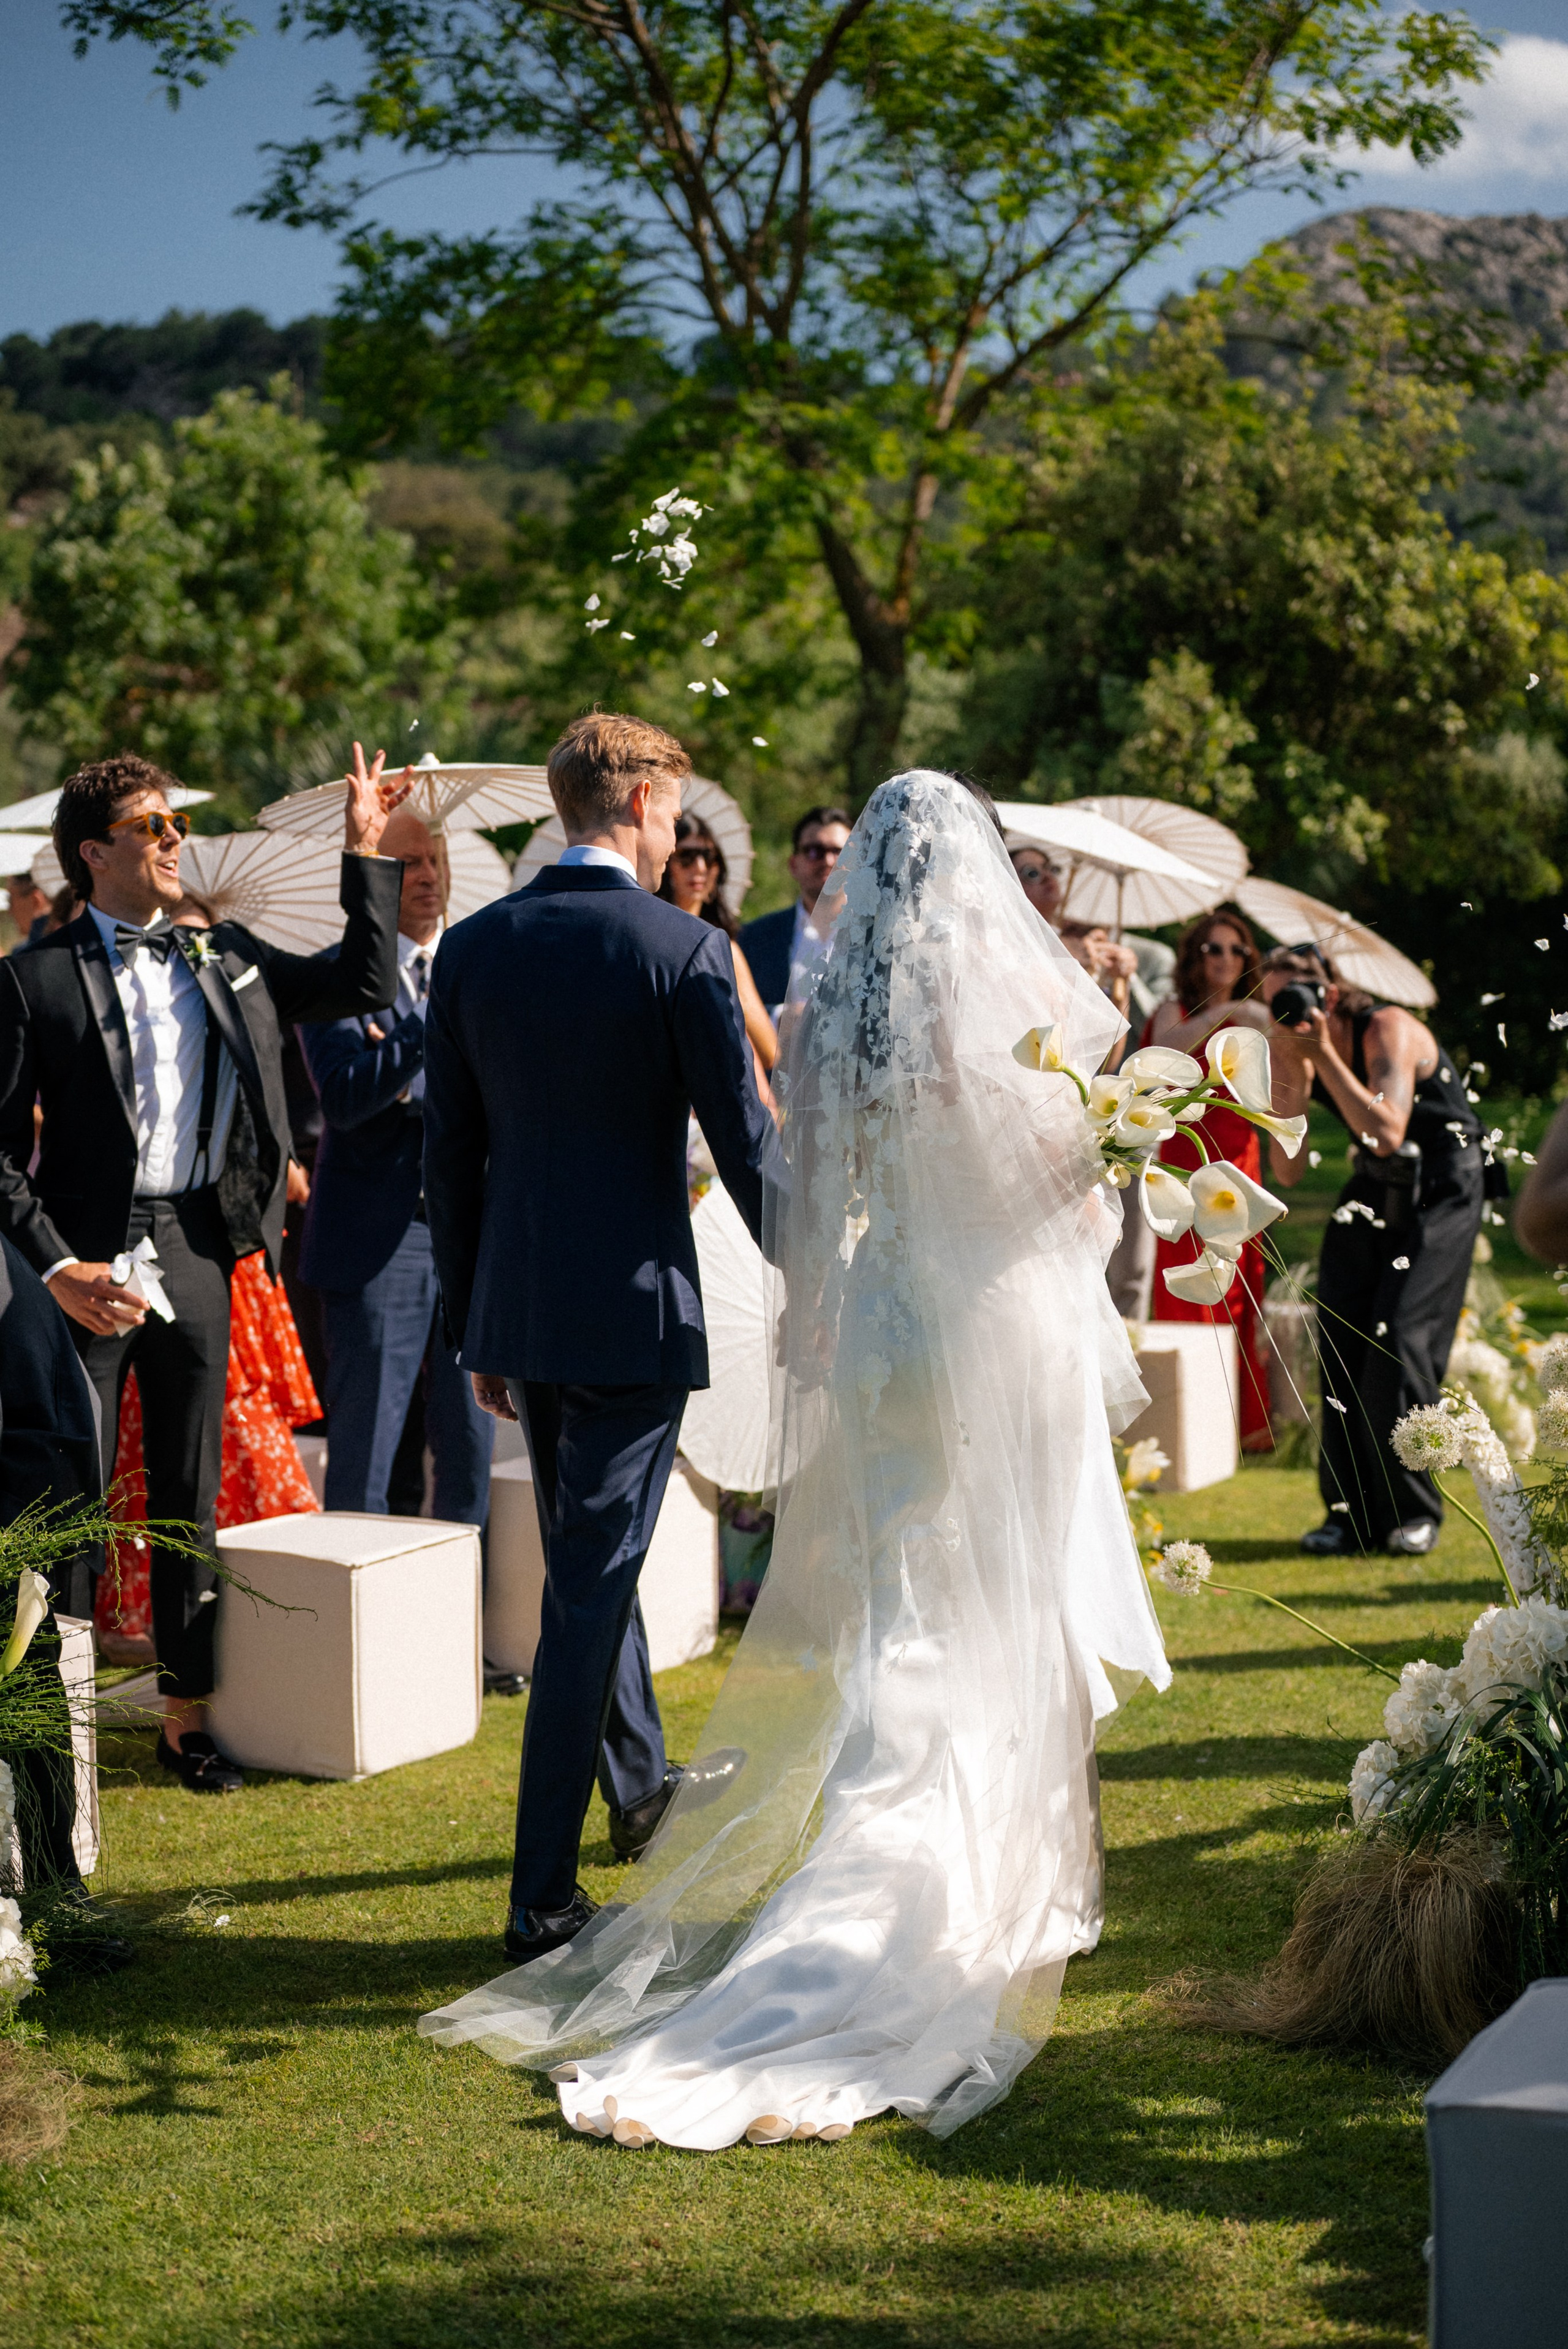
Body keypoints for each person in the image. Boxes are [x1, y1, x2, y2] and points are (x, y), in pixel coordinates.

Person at [422, 767, 1170, 2151]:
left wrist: (822, 1304)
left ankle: (874, 1857)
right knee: (997, 1591)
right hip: (978, 1317)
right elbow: (1016, 1166)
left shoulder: (823, 1011)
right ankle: (988, 1883)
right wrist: (1106, 1143)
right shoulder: (964, 992)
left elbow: (795, 1160)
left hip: (880, 1315)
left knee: (902, 1600)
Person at [421, 712, 785, 1964]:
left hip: (520, 1314)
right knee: (586, 1595)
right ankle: (537, 1899)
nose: (681, 826)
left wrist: (475, 1323)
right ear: (631, 800)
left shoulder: (470, 950)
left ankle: (633, 1795)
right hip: (631, 1318)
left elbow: (448, 1160)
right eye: (674, 802)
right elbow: (745, 1153)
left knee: (589, 1577)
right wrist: (830, 1272)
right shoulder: (679, 948)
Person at [0, 750, 402, 1793]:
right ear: (95, 853)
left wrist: (365, 847)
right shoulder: (33, 978)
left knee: (186, 1494)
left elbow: (362, 978)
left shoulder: (224, 953)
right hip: (83, 1254)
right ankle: (62, 1724)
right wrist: (56, 1270)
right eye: (151, 825)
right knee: (74, 1496)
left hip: (193, 1243)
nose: (174, 837)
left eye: (173, 821)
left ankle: (187, 1718)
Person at [296, 807, 496, 1542]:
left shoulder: (484, 966)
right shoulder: (334, 978)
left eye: (435, 859)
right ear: (374, 877)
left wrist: (404, 1066)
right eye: (407, 863)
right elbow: (346, 1100)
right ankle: (360, 1639)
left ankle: (458, 1638)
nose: (427, 876)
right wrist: (422, 1026)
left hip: (473, 1237)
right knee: (364, 1460)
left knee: (472, 1451)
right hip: (381, 1243)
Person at [1262, 943, 1489, 1556]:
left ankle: (1413, 1514)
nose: (1285, 1011)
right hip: (1376, 1186)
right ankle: (1345, 1517)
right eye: (1272, 1003)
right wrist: (1291, 1066)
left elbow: (1386, 1130)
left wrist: (1322, 1053)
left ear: (1329, 994)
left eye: (1294, 996)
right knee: (1337, 1340)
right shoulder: (1301, 1049)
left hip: (1443, 1186)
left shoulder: (1387, 1028)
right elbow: (1284, 1170)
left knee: (1398, 1341)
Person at [1140, 909, 1275, 1450]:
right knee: (1190, 1284)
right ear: (1195, 956)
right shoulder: (1177, 1008)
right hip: (1186, 1161)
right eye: (1213, 949)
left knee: (1241, 1289)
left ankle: (1243, 1427)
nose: (1225, 959)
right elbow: (1167, 1047)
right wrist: (1230, 1013)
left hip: (1239, 1159)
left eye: (1236, 951)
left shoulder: (1257, 1015)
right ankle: (1192, 1422)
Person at [658, 811, 777, 1092]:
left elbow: (769, 1047)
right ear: (665, 862)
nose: (699, 867)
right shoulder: (647, 937)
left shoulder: (725, 949)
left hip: (710, 1097)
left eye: (708, 857)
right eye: (686, 856)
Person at [739, 805, 852, 1020]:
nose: (828, 861)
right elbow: (736, 1008)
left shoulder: (879, 935)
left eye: (840, 851)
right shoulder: (754, 938)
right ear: (793, 864)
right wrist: (780, 1017)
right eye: (814, 851)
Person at [5, 871, 50, 951]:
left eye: (11, 901)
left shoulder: (26, 954)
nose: (10, 912)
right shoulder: (73, 937)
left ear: (36, 900)